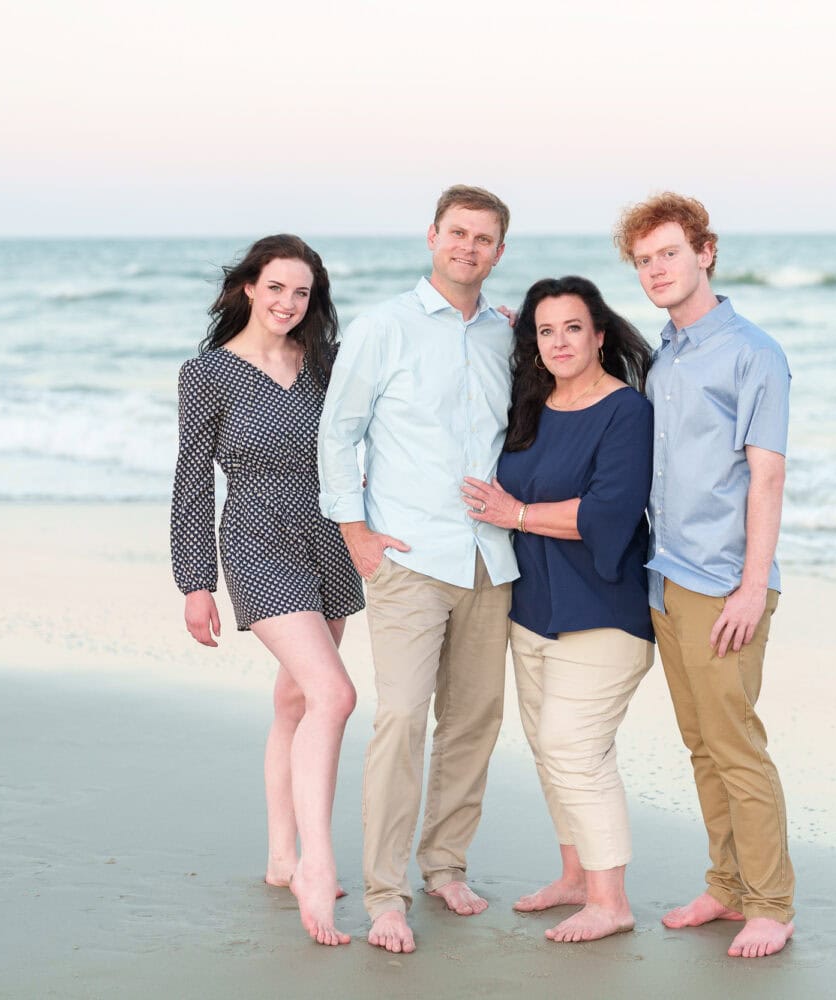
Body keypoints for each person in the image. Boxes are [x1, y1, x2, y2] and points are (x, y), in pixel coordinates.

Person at [316, 185, 518, 955]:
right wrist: (355, 532)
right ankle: (386, 894)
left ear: (499, 252)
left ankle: (445, 864)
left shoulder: (506, 335)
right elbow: (340, 433)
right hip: (407, 556)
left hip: (490, 559)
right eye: (457, 232)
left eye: (484, 238)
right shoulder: (384, 328)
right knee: (401, 720)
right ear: (432, 235)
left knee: (472, 722)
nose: (468, 247)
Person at [614, 193, 798, 959]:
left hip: (723, 583)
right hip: (665, 576)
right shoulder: (668, 352)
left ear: (705, 253)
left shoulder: (752, 352)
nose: (657, 269)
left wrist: (752, 589)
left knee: (736, 744)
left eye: (668, 253)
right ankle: (727, 886)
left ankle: (772, 904)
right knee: (701, 744)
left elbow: (767, 478)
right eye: (645, 259)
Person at [170, 234, 365, 947]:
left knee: (294, 700)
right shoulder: (208, 374)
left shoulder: (323, 365)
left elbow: (381, 420)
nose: (288, 303)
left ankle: (282, 857)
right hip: (256, 536)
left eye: (302, 293)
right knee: (334, 696)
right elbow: (191, 478)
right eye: (276, 287)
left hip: (328, 538)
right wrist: (195, 583)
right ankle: (319, 860)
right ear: (249, 286)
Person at [459, 276, 654, 943]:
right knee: (548, 749)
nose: (561, 341)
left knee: (576, 748)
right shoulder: (533, 404)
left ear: (600, 334)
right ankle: (575, 877)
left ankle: (611, 900)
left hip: (603, 611)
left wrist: (517, 514)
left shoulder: (627, 412)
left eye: (574, 327)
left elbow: (609, 512)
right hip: (532, 610)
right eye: (547, 330)